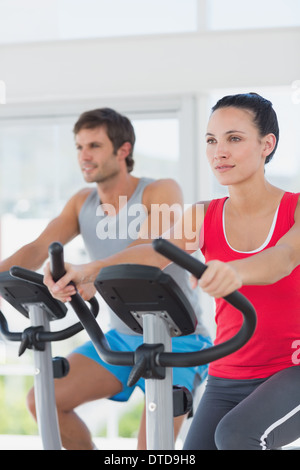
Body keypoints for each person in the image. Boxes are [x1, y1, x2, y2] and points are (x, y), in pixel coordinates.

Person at [45, 93, 300, 450]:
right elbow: (152, 254)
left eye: (234, 139)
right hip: (227, 373)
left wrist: (233, 272)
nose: (219, 152)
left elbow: (284, 257)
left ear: (267, 144)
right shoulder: (202, 215)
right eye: (211, 141)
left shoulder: (295, 208)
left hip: (290, 369)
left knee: (237, 436)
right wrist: (89, 270)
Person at [0, 107, 211, 450]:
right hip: (120, 337)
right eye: (79, 147)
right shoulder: (82, 203)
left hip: (178, 340)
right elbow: (38, 246)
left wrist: (86, 272)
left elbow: (150, 255)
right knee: (44, 400)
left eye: (94, 146)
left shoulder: (160, 191)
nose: (84, 156)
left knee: (152, 449)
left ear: (123, 150)